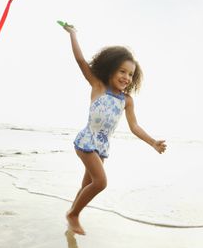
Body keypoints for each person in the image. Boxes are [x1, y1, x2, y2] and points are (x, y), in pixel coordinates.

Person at [61, 23, 167, 235]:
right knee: (100, 182)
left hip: (101, 146)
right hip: (86, 141)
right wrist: (73, 34)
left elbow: (134, 126)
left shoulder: (126, 100)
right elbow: (81, 61)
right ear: (110, 69)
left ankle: (72, 213)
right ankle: (73, 215)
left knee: (87, 184)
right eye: (122, 71)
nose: (126, 77)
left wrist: (153, 142)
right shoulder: (98, 86)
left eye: (130, 74)